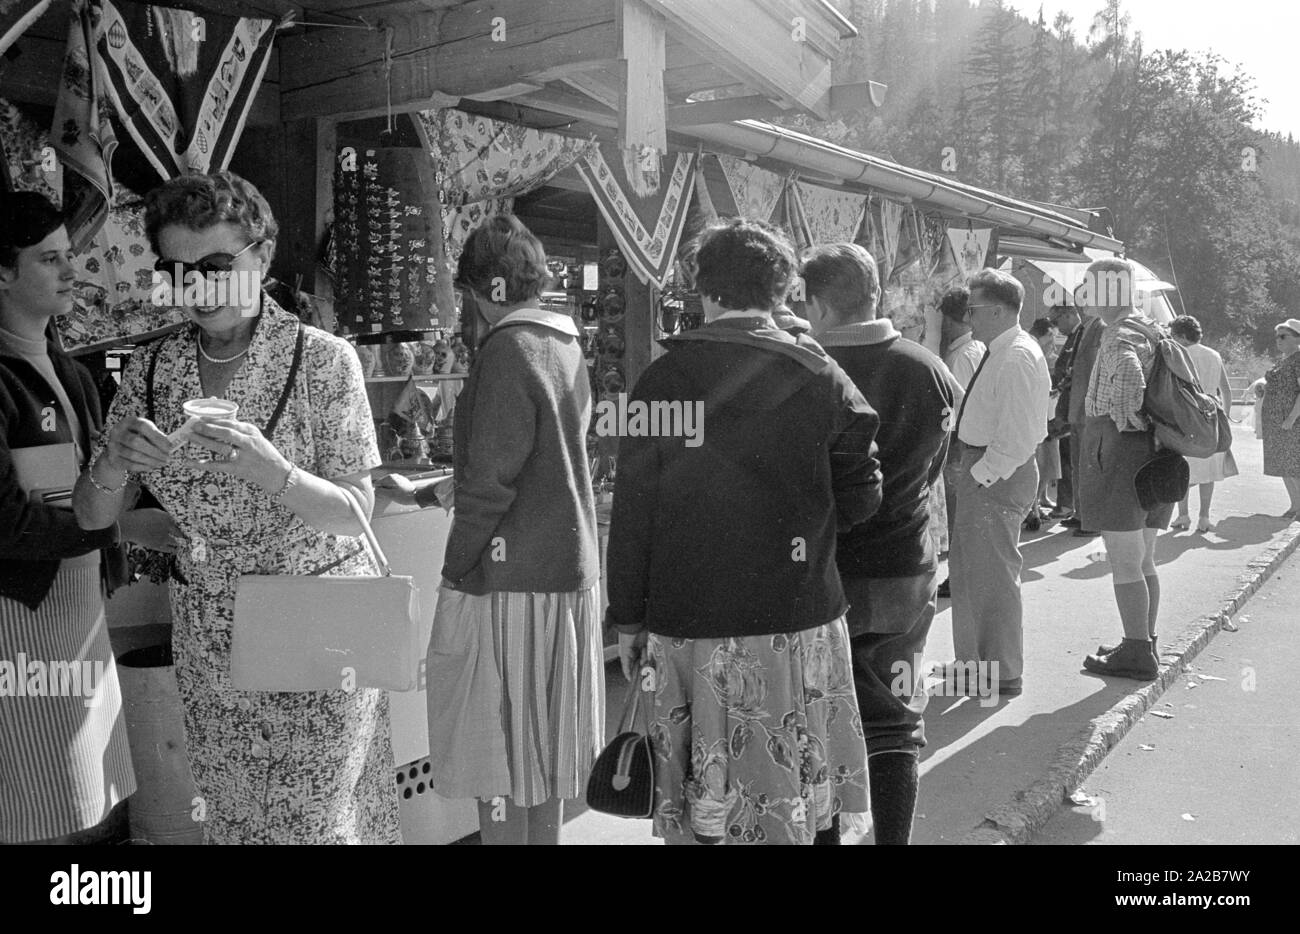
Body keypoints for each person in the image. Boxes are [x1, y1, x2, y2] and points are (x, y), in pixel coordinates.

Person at [73, 171, 401, 844]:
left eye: (216, 266)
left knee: (312, 828)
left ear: (263, 255)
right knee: (234, 826)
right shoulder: (155, 369)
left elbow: (355, 513)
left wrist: (274, 473)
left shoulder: (323, 362)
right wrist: (113, 466)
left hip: (314, 631)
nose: (196, 289)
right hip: (208, 644)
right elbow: (96, 517)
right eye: (178, 270)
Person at [606, 218, 881, 845]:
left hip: (690, 622)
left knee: (706, 805)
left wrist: (627, 618)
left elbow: (633, 514)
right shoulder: (821, 376)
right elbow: (863, 499)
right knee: (793, 797)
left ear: (705, 289)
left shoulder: (662, 381)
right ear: (782, 290)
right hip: (796, 620)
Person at [378, 215, 603, 845]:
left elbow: (492, 486)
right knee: (545, 766)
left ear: (481, 289)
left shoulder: (508, 350)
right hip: (567, 576)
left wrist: (455, 566)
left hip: (511, 586)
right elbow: (543, 462)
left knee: (498, 762)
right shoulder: (565, 343)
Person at [0, 193, 167, 843]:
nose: (72, 270)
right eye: (49, 259)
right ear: (3, 273)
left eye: (71, 255)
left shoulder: (68, 371)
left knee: (86, 807)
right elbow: (7, 524)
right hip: (17, 617)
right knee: (33, 810)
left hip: (79, 613)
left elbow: (98, 485)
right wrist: (118, 530)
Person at [803, 242, 959, 845]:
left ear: (817, 303)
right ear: (875, 294)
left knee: (818, 719)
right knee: (895, 723)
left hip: (822, 570)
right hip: (903, 565)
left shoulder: (804, 369)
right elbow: (932, 469)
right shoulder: (931, 370)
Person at [947, 269, 1051, 698]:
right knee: (973, 574)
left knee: (991, 575)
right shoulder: (1004, 350)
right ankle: (976, 666)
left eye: (972, 309)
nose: (968, 318)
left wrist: (978, 474)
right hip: (988, 470)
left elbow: (1020, 435)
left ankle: (1001, 670)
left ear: (995, 309)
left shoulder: (1015, 356)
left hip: (996, 474)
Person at [1078, 259, 1175, 681]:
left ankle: (1136, 652)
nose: (1085, 295)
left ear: (1105, 290)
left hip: (1122, 453)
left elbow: (1131, 381)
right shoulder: (1152, 327)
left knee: (1124, 562)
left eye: (1088, 287)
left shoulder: (1118, 333)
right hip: (1156, 455)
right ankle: (1143, 639)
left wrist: (1125, 418)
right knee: (1144, 559)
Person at [1168, 315, 1236, 532]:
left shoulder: (1179, 354)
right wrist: (1226, 413)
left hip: (1187, 412)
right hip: (1212, 412)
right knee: (1209, 467)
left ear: (1181, 336)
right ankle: (1204, 517)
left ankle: (1183, 515)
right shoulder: (1214, 355)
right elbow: (1225, 387)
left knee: (1184, 466)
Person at [937, 286, 982, 598]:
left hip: (958, 445)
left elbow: (960, 408)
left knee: (957, 515)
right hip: (967, 444)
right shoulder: (975, 349)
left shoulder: (960, 357)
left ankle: (959, 577)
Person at [1056, 295, 1105, 537]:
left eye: (1086, 299)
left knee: (1087, 464)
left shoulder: (1100, 327)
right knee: (1077, 463)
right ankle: (1080, 512)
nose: (1082, 304)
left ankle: (1092, 519)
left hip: (1089, 408)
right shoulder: (1087, 328)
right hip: (1078, 407)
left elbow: (1098, 366)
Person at [1261, 318, 1300, 518]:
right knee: (1283, 465)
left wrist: (1292, 418)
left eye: (1283, 336)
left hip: (1290, 422)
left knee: (1294, 465)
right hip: (1276, 421)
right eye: (1277, 337)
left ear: (1297, 338)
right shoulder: (1284, 359)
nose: (1278, 340)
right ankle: (1295, 506)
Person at [1026, 317, 1061, 529]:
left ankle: (1035, 507)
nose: (1053, 343)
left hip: (1039, 414)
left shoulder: (1032, 347)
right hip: (1034, 416)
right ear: (1046, 334)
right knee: (1036, 463)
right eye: (1052, 338)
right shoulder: (1032, 348)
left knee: (1040, 462)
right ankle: (1033, 509)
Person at [1047, 305, 1081, 518]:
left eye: (1057, 321)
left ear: (1069, 315)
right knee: (1067, 459)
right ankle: (1070, 506)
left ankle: (1069, 505)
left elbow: (1072, 372)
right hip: (1066, 406)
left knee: (1068, 459)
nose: (1056, 328)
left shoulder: (1081, 335)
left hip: (1071, 409)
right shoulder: (1075, 336)